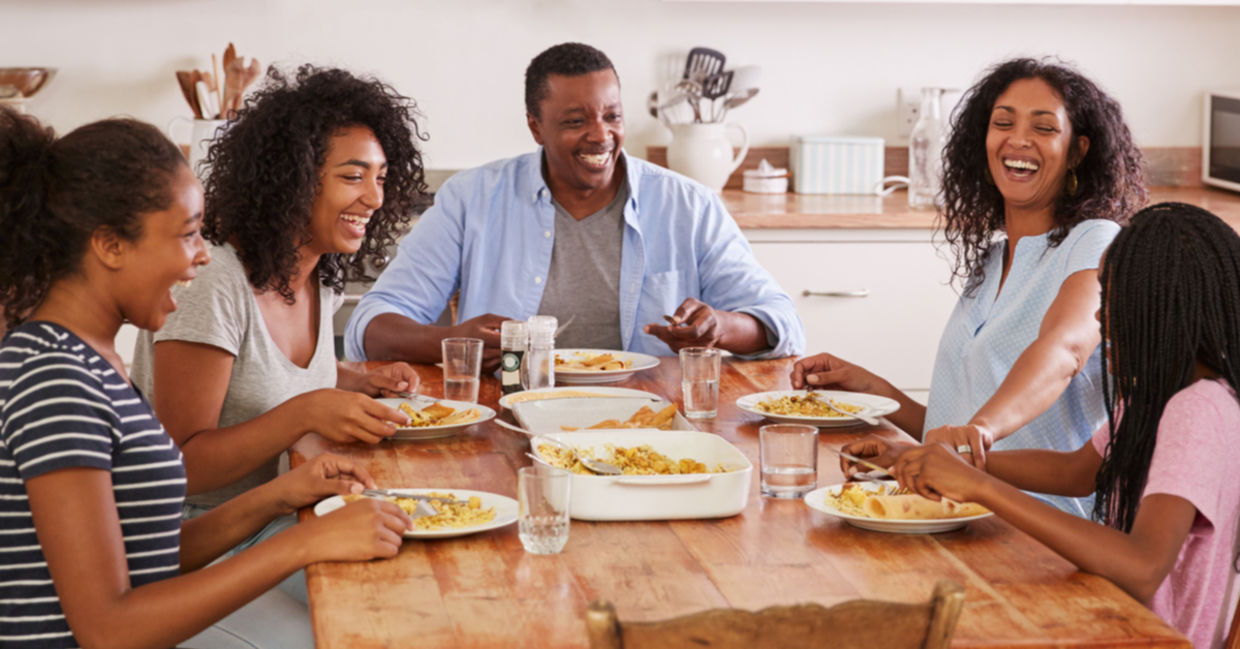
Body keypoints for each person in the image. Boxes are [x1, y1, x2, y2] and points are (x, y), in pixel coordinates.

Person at [0, 108, 411, 649]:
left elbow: (146, 553)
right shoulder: (55, 379)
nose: (201, 257)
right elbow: (108, 628)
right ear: (110, 244)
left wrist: (281, 496)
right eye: (188, 235)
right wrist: (301, 545)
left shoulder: (88, 361)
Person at [848, 203, 1240, 649]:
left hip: (1144, 638)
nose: (1099, 319)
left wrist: (978, 485)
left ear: (1162, 311)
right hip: (1108, 618)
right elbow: (1077, 471)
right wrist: (938, 460)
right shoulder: (1162, 396)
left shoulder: (1199, 411)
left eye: (1112, 301)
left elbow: (1143, 566)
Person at [792, 57, 1146, 515]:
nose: (1018, 139)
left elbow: (1066, 351)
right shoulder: (993, 260)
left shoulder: (1095, 241)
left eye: (1043, 128)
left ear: (1077, 151)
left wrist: (979, 430)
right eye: (1003, 123)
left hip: (1041, 531)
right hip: (960, 513)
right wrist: (872, 390)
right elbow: (954, 435)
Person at [344, 42, 804, 369]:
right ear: (535, 126)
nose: (601, 135)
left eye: (612, 115)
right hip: (510, 416)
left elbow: (782, 323)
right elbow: (370, 326)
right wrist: (448, 341)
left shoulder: (689, 206)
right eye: (575, 121)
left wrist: (719, 327)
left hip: (652, 420)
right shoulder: (472, 199)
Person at [131, 65, 428, 508]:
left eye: (381, 177)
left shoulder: (318, 272)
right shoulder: (212, 279)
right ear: (294, 179)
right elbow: (182, 466)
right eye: (353, 176)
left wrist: (356, 382)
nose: (376, 198)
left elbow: (260, 377)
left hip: (292, 512)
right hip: (202, 537)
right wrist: (309, 411)